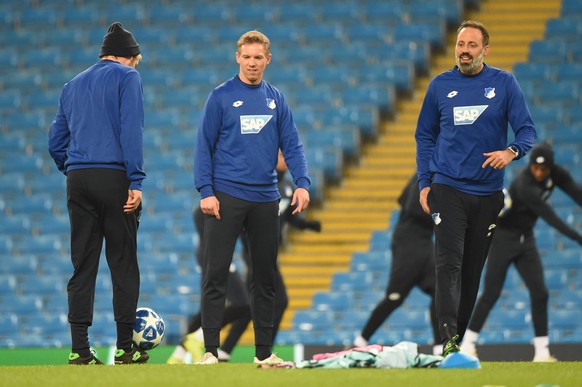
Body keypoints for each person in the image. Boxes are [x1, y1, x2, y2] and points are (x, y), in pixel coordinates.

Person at [414, 20, 537, 357]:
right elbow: (424, 136)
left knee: (471, 273)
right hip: (448, 188)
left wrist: (510, 152)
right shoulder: (440, 86)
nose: (464, 50)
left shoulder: (504, 83)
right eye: (460, 44)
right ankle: (447, 340)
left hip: (488, 194)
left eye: (471, 45)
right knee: (448, 263)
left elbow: (527, 131)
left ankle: (456, 344)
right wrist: (425, 183)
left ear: (485, 49)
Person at [193, 30, 311, 365]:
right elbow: (203, 146)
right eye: (247, 57)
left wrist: (302, 182)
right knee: (215, 275)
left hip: (265, 200)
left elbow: (293, 145)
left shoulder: (277, 99)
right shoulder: (220, 97)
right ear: (238, 58)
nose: (252, 63)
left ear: (267, 60)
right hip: (226, 197)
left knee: (265, 279)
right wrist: (206, 190)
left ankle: (263, 354)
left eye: (258, 57)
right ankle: (211, 352)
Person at [48, 22, 147, 365]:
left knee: (83, 264)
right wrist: (135, 181)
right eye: (136, 61)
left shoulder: (72, 85)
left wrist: (74, 168)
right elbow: (131, 130)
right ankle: (124, 348)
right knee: (122, 262)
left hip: (78, 178)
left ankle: (79, 349)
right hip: (114, 177)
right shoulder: (127, 77)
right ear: (130, 57)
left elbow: (55, 142)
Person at [169, 151, 321, 364]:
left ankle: (217, 350)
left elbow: (286, 214)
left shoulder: (286, 188)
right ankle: (244, 348)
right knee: (270, 300)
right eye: (280, 154)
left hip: (268, 252)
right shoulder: (257, 184)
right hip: (253, 251)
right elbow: (227, 214)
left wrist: (307, 225)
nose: (286, 158)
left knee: (248, 305)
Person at [460, 142, 582, 362]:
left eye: (542, 169)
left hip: (526, 239)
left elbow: (577, 193)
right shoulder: (524, 184)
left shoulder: (557, 174)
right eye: (535, 168)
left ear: (550, 168)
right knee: (491, 293)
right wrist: (578, 238)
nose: (538, 172)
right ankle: (467, 344)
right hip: (504, 239)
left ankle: (542, 352)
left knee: (540, 293)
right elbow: (550, 217)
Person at [353, 174, 441, 354]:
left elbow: (401, 199)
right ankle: (360, 341)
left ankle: (440, 348)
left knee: (440, 290)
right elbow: (411, 207)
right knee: (395, 297)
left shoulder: (428, 175)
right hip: (408, 242)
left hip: (423, 241)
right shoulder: (427, 176)